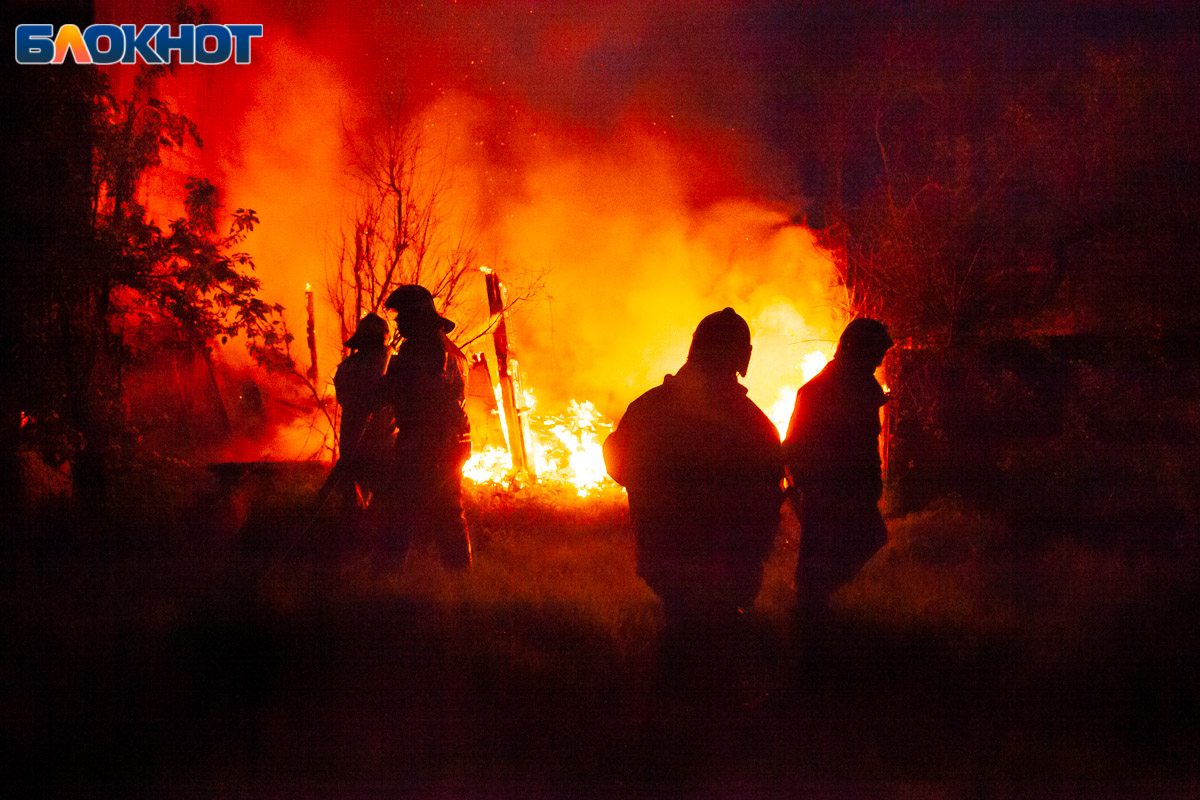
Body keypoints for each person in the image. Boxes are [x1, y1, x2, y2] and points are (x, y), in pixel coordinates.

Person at [603, 308, 784, 692]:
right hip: (729, 566)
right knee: (717, 662)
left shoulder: (649, 408)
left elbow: (617, 462)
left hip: (664, 556)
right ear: (742, 357)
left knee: (680, 647)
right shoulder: (754, 424)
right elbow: (769, 493)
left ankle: (671, 728)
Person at [783, 317, 893, 635]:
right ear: (856, 350)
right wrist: (805, 490)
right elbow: (796, 445)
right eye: (875, 353)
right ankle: (809, 616)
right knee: (825, 552)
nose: (878, 360)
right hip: (827, 490)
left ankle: (813, 605)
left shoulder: (859, 386)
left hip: (851, 489)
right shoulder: (819, 391)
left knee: (863, 540)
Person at [370, 285, 472, 570]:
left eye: (402, 315)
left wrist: (384, 384)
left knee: (400, 505)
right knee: (448, 507)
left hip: (426, 438)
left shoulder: (422, 348)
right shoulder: (449, 349)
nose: (399, 322)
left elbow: (412, 390)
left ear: (415, 315)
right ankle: (461, 575)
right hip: (451, 438)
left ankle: (385, 574)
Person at [331, 313, 391, 508]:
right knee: (380, 506)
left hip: (356, 441)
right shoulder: (388, 367)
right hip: (379, 445)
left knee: (357, 504)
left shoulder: (347, 367)